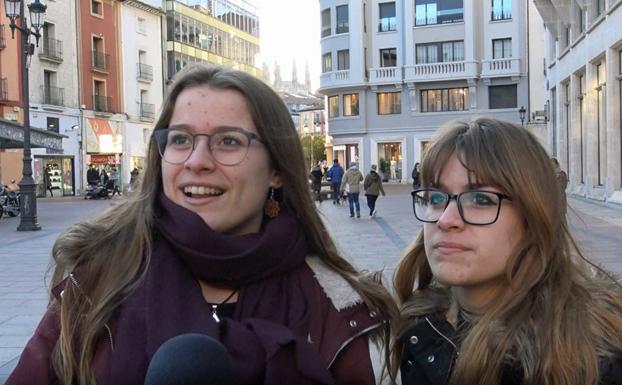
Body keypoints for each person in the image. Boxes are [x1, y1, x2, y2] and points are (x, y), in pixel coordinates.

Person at [7, 64, 397, 385]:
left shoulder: (334, 301)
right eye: (180, 139)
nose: (197, 161)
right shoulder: (97, 279)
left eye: (228, 142)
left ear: (277, 169)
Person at [391, 118, 622, 385]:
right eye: (436, 198)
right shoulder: (422, 329)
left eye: (480, 199)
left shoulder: (594, 362)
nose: (445, 219)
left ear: (533, 218)